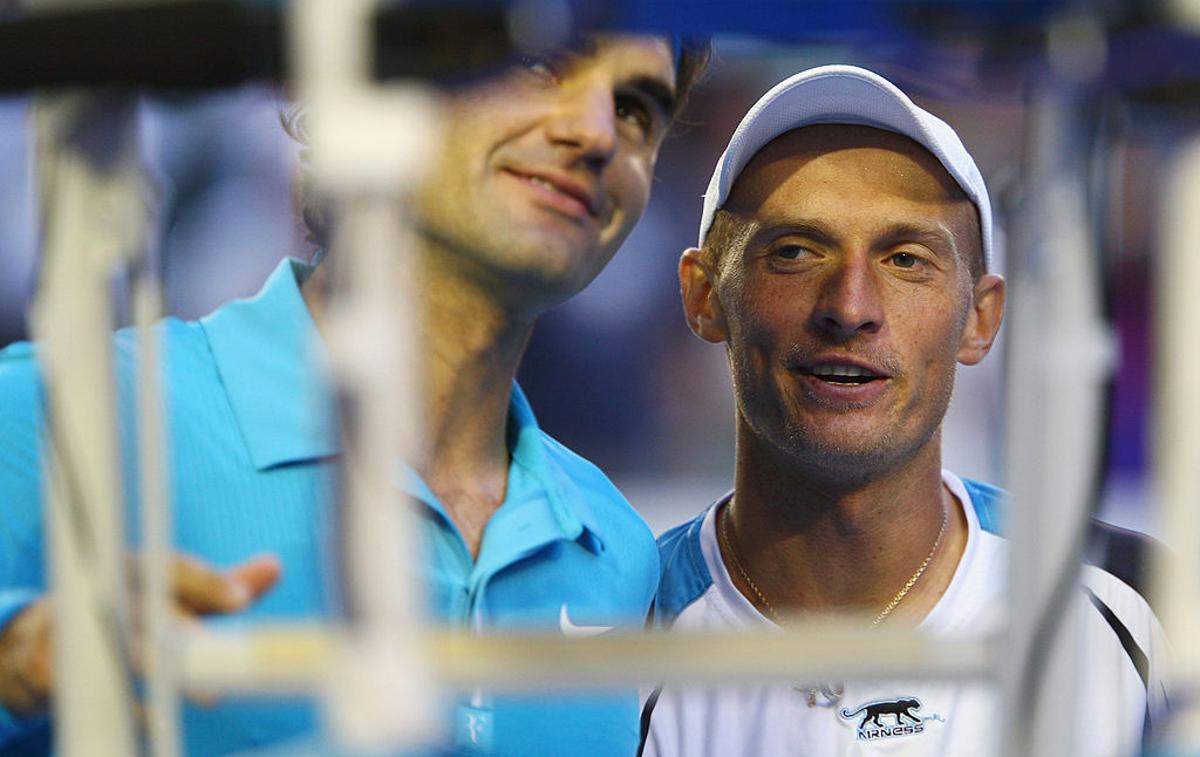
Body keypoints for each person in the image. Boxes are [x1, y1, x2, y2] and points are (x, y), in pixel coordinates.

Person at [0, 34, 708, 755]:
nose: (593, 134)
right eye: (534, 63)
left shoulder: (616, 548)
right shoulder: (58, 416)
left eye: (634, 108)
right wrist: (12, 666)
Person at [641, 65, 1169, 757]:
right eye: (795, 252)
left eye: (905, 259)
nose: (851, 306)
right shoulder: (611, 637)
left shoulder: (1139, 605)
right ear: (704, 295)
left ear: (981, 319)